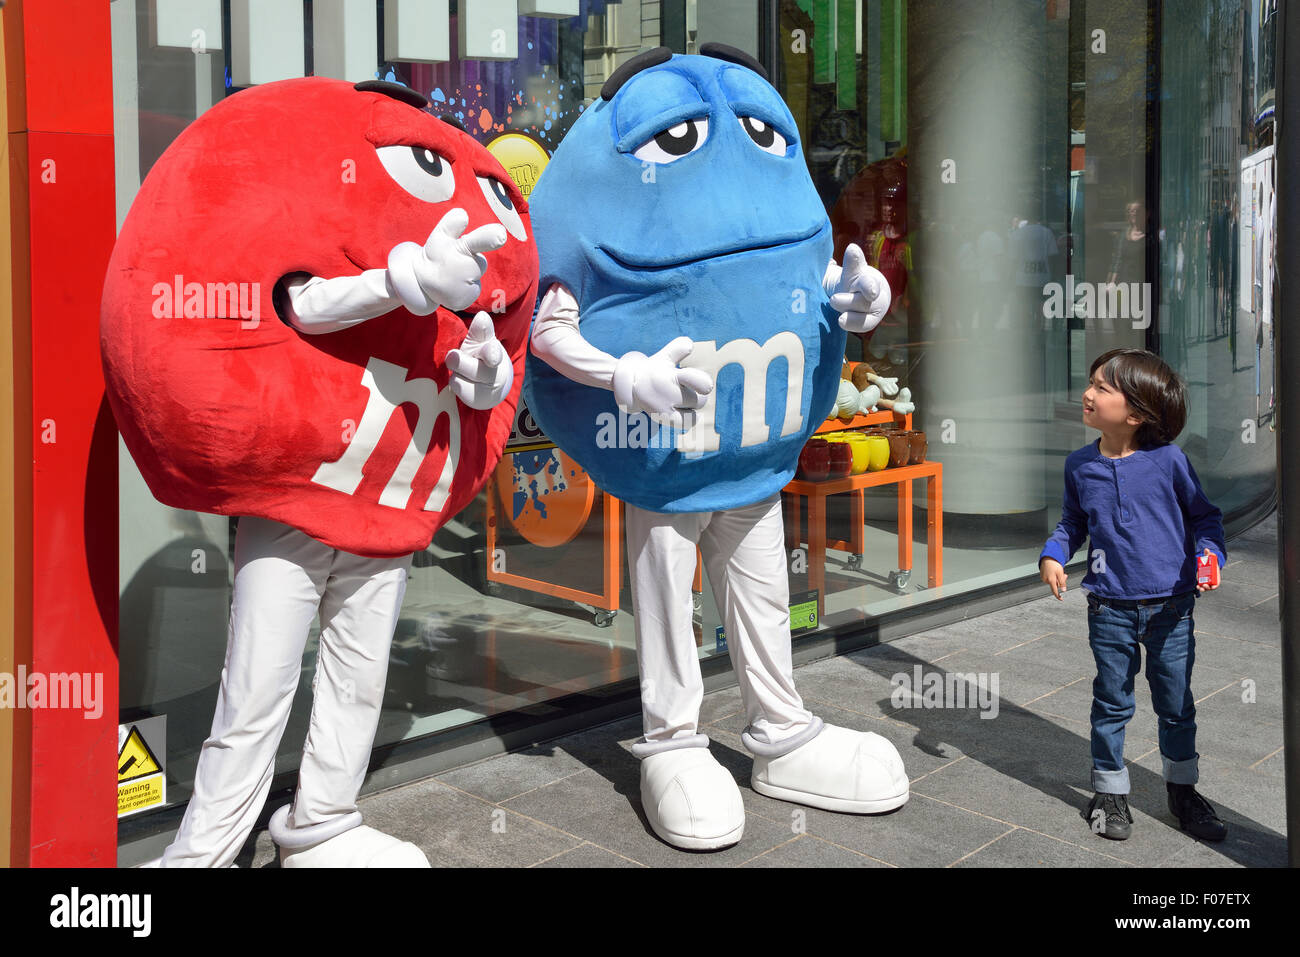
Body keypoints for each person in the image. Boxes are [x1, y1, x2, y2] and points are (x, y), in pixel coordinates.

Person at [1038, 349, 1227, 842]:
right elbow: (1072, 524)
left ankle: (1183, 792)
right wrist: (1054, 554)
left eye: (1103, 387)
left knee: (1176, 704)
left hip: (1172, 608)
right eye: (1092, 383)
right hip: (1109, 607)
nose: (1088, 393)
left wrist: (1210, 556)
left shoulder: (1169, 461)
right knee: (1112, 702)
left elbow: (1205, 518)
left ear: (1137, 412)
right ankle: (1109, 793)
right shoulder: (1080, 465)